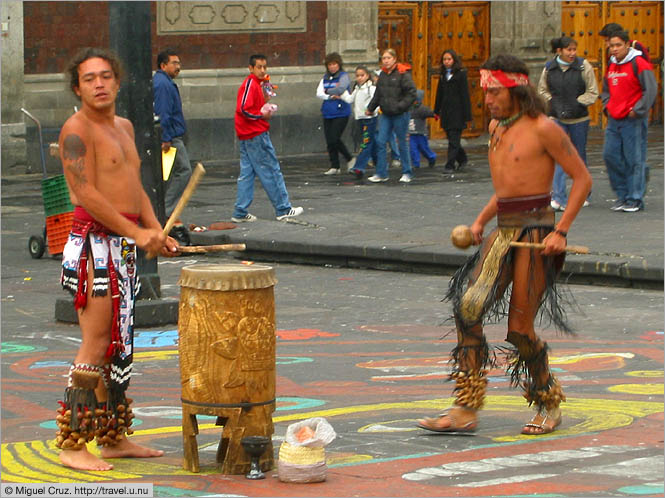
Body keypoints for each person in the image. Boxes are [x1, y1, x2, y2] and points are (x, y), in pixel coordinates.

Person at [417, 54, 592, 436]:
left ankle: (548, 400)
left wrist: (560, 231)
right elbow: (508, 191)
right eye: (485, 92)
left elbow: (582, 180)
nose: (488, 99)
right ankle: (465, 407)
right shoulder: (496, 127)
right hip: (503, 233)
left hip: (537, 234)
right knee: (468, 307)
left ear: (516, 89)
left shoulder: (545, 128)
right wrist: (481, 220)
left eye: (494, 91)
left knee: (519, 329)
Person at [57, 47, 179, 471]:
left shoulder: (124, 126)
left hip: (122, 245)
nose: (99, 84)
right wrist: (136, 232)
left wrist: (155, 230)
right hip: (93, 245)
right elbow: (85, 194)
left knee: (117, 343)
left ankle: (112, 438)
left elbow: (136, 186)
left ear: (118, 81)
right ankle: (73, 443)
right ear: (78, 87)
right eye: (89, 78)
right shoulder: (76, 130)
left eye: (106, 76)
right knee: (95, 340)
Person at [231, 54, 303, 222]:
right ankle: (283, 208)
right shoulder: (250, 83)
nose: (263, 70)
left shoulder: (257, 84)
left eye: (264, 67)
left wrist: (264, 103)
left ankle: (240, 211)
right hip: (255, 133)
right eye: (259, 67)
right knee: (271, 169)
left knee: (247, 173)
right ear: (251, 68)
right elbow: (243, 108)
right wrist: (261, 115)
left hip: (247, 134)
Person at [537, 36, 598, 211]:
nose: (572, 53)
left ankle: (583, 193)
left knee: (579, 155)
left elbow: (593, 91)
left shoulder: (583, 66)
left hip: (579, 119)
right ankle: (559, 197)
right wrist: (552, 102)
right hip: (557, 118)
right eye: (569, 50)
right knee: (559, 155)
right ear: (559, 51)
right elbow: (542, 90)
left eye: (574, 49)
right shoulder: (549, 68)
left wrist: (578, 102)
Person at [601, 30, 657, 213]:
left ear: (626, 44)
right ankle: (622, 195)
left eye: (618, 45)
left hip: (632, 120)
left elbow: (651, 89)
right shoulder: (611, 64)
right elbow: (606, 88)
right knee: (610, 156)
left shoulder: (639, 63)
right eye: (611, 46)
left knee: (634, 159)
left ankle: (635, 198)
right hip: (614, 118)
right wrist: (606, 106)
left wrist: (637, 110)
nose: (614, 49)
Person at [152, 48, 192, 245]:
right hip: (171, 137)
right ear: (163, 65)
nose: (178, 66)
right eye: (174, 63)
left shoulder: (165, 83)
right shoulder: (162, 85)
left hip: (172, 135)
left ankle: (164, 211)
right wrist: (165, 137)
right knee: (183, 171)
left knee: (167, 175)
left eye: (179, 63)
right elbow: (163, 112)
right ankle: (166, 211)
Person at [366, 48, 417, 183]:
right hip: (386, 113)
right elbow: (378, 94)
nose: (386, 61)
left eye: (388, 58)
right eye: (384, 58)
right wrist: (371, 108)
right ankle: (381, 173)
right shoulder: (383, 75)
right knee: (381, 141)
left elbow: (411, 93)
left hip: (400, 113)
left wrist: (400, 106)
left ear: (394, 59)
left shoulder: (402, 74)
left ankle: (407, 172)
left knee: (402, 143)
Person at [434, 49, 472, 173]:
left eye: (449, 59)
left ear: (454, 60)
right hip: (446, 112)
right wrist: (436, 110)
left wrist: (467, 115)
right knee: (451, 138)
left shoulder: (460, 74)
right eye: (444, 59)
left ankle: (449, 165)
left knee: (454, 139)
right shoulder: (443, 75)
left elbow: (464, 95)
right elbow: (439, 93)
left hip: (458, 112)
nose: (446, 62)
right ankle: (462, 159)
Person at [316, 52, 353, 175]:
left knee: (335, 137)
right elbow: (319, 93)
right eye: (330, 64)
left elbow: (341, 88)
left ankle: (349, 158)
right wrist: (330, 95)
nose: (332, 67)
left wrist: (327, 91)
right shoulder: (325, 78)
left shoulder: (344, 76)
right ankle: (334, 165)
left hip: (341, 111)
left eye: (334, 64)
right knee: (329, 140)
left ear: (339, 64)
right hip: (327, 111)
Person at [341, 65, 379, 179]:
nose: (360, 78)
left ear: (367, 76)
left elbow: (377, 100)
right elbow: (350, 99)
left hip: (369, 119)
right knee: (372, 142)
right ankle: (379, 163)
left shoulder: (371, 88)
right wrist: (341, 92)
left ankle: (359, 167)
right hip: (359, 119)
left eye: (362, 75)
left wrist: (372, 110)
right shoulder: (357, 88)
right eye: (357, 76)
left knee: (366, 142)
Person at [408, 89, 437, 168]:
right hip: (412, 133)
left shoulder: (422, 109)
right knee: (413, 149)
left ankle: (432, 157)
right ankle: (416, 163)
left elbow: (430, 113)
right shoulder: (408, 108)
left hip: (421, 133)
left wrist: (435, 115)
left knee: (424, 148)